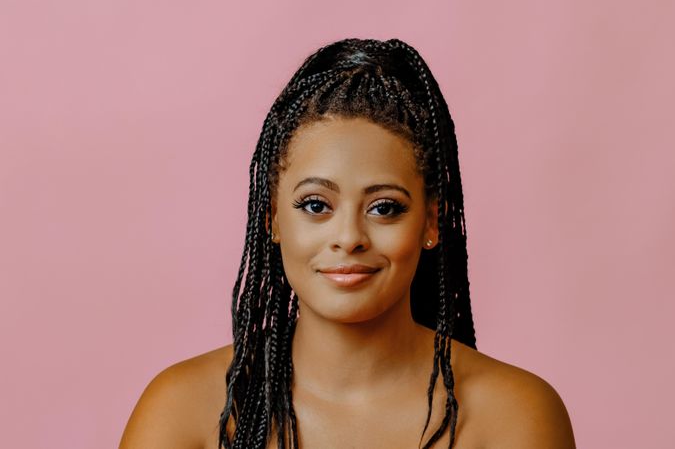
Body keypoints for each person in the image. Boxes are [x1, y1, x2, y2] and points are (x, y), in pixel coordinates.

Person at [119, 38, 575, 449]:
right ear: (273, 220)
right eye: (316, 205)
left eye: (384, 208)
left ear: (430, 223)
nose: (349, 238)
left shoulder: (514, 416)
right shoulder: (182, 411)